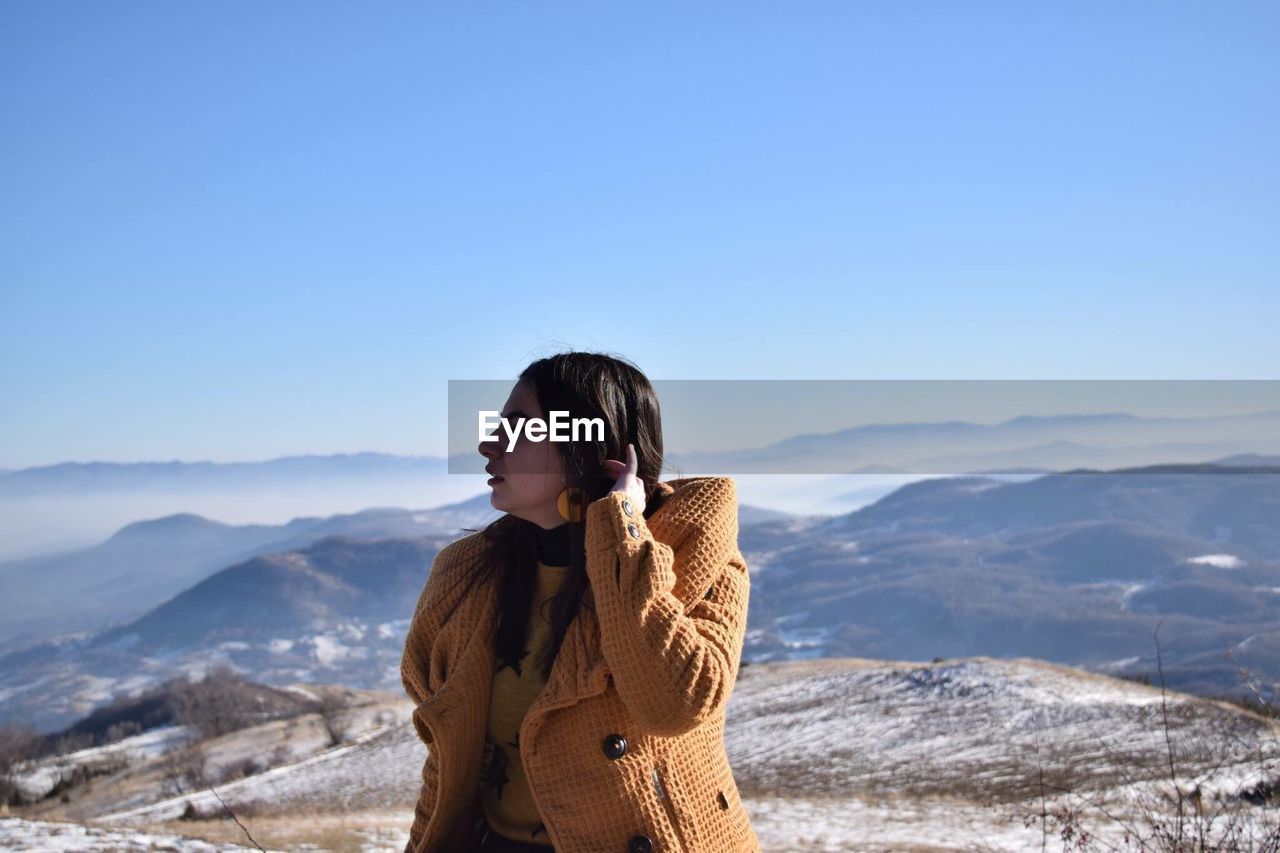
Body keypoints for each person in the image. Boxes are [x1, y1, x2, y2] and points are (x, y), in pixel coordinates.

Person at [401, 351, 761, 852]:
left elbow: (673, 705)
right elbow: (449, 761)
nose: (487, 446)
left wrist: (622, 533)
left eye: (516, 428)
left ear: (586, 443)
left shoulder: (695, 554)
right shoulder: (467, 575)